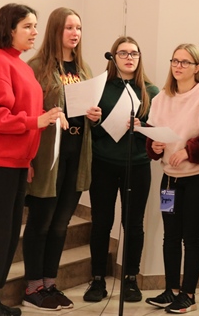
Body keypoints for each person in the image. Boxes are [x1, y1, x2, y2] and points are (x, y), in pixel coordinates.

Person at [0, 4, 62, 316]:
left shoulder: (19, 65)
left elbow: (25, 112)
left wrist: (30, 156)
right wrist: (36, 121)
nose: (35, 32)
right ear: (9, 30)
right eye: (27, 26)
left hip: (16, 162)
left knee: (7, 237)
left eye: (35, 25)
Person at [22, 7, 102, 311]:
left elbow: (85, 109)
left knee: (60, 225)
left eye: (78, 28)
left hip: (76, 154)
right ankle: (33, 287)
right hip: (47, 157)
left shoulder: (83, 69)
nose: (75, 33)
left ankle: (50, 284)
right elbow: (28, 113)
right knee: (41, 223)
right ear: (56, 30)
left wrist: (94, 115)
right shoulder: (36, 67)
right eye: (69, 27)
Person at [144, 43, 199, 313]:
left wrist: (189, 151)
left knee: (191, 238)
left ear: (197, 68)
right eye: (175, 61)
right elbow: (152, 133)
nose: (178, 66)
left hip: (196, 179)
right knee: (170, 236)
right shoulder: (161, 97)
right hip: (169, 179)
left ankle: (188, 294)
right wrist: (154, 146)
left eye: (185, 62)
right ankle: (171, 289)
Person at [82, 36, 159, 303]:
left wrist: (142, 127)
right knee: (101, 222)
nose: (129, 58)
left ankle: (130, 279)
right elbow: (90, 131)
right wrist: (93, 121)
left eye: (134, 53)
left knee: (133, 224)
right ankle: (97, 279)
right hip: (104, 162)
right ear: (113, 58)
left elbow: (157, 131)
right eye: (123, 53)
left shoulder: (151, 91)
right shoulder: (100, 88)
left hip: (137, 164)